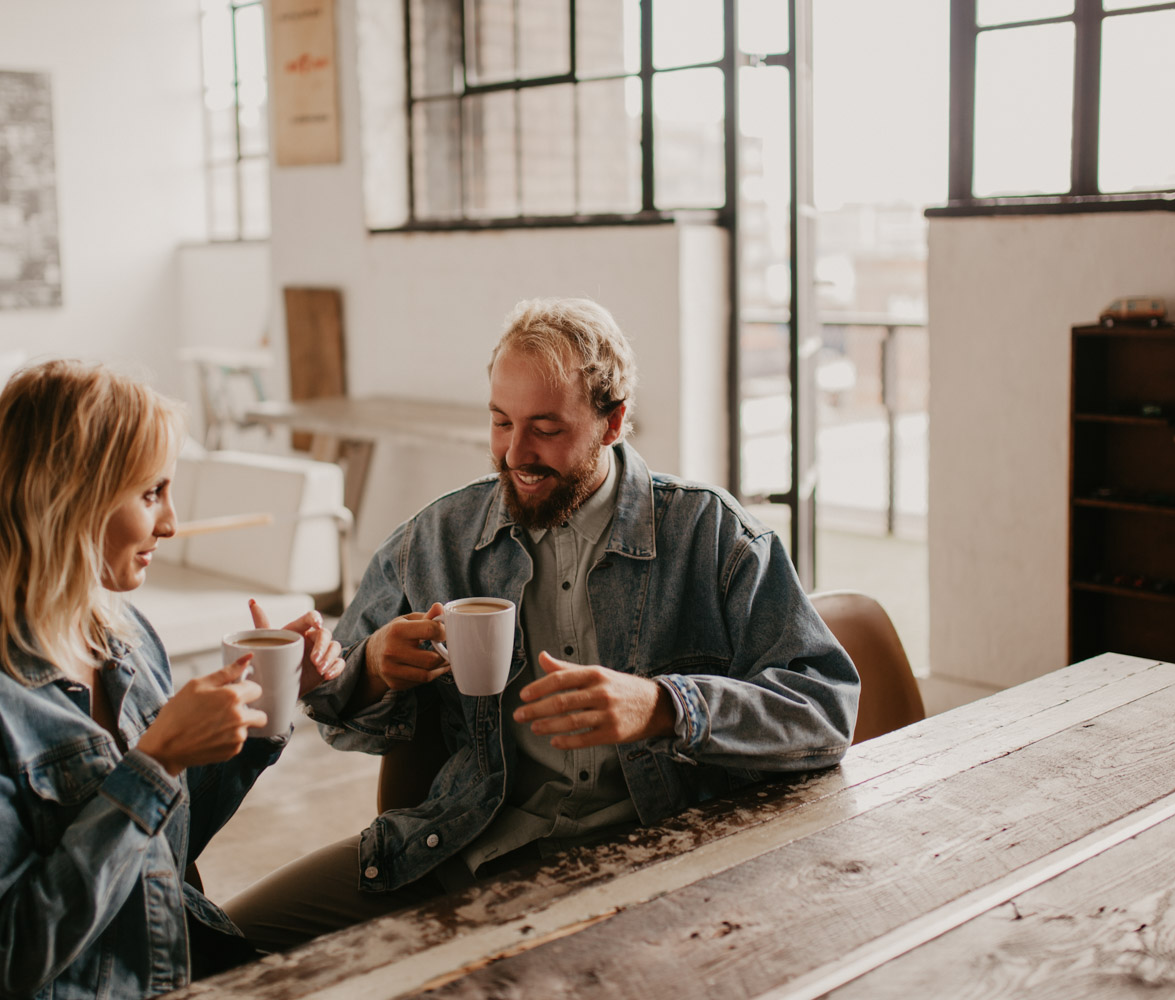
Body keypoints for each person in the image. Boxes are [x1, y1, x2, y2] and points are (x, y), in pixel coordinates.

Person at [225, 298, 859, 950]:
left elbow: (825, 709)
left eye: (546, 429)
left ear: (612, 422)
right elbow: (339, 713)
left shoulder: (712, 535)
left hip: (662, 857)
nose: (514, 453)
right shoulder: (434, 540)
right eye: (501, 422)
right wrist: (370, 672)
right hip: (466, 848)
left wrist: (668, 705)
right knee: (224, 944)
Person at [0, 360, 344, 999]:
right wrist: (154, 760)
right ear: (68, 499)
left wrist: (266, 711)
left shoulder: (124, 638)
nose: (169, 524)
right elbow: (10, 955)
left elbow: (159, 851)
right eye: (151, 494)